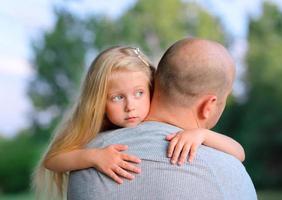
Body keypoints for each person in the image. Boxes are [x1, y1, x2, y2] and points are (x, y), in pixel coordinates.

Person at [33, 45, 246, 199]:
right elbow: (52, 160)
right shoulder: (92, 142)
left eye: (139, 93)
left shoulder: (196, 137)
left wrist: (203, 135)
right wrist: (93, 156)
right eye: (117, 97)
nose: (130, 106)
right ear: (99, 103)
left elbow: (239, 152)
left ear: (153, 89)